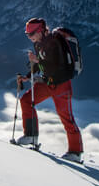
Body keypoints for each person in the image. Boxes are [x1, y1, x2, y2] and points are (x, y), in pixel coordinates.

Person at [15, 17, 84, 163]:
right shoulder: (39, 44)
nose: (29, 37)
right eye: (27, 34)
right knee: (26, 100)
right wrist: (28, 77)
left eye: (31, 34)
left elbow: (54, 65)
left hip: (61, 84)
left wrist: (37, 60)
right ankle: (31, 135)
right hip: (47, 83)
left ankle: (76, 152)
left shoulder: (54, 42)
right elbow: (41, 66)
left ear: (40, 31)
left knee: (66, 117)